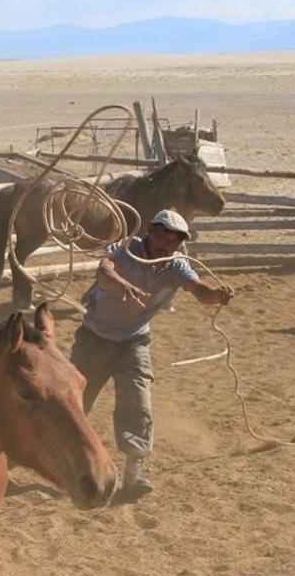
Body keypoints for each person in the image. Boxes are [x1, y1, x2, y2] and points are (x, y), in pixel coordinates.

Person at [70, 209, 234, 499]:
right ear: (150, 231)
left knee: (139, 402)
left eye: (174, 240)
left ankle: (135, 471)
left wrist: (217, 294)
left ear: (180, 242)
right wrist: (123, 285)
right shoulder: (126, 249)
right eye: (162, 235)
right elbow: (104, 271)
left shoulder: (177, 264)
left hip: (134, 342)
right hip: (93, 340)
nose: (166, 244)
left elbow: (198, 290)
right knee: (73, 406)